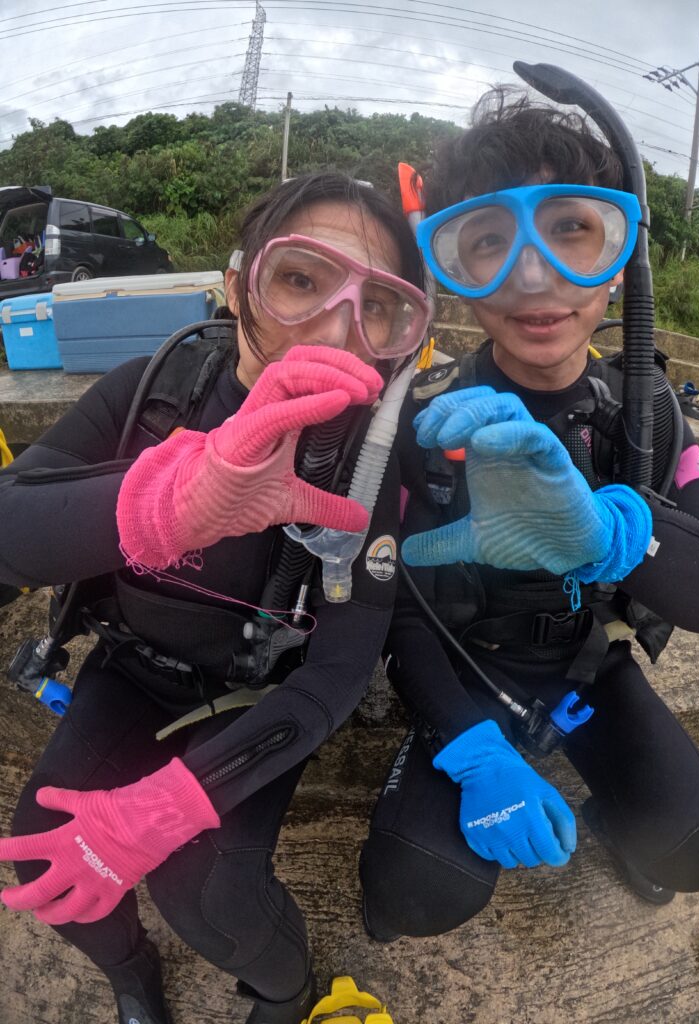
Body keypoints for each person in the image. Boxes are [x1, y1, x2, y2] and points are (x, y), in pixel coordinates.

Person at [0, 172, 429, 1024]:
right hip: (134, 666)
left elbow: (338, 672)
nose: (339, 328)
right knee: (39, 849)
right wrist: (166, 504)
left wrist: (177, 801)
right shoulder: (155, 393)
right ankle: (130, 971)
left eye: (377, 305)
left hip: (256, 695)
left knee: (208, 888)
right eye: (301, 279)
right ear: (236, 288)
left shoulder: (375, 468)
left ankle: (282, 988)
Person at [359, 88, 699, 941]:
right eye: (489, 244)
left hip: (585, 667)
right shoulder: (424, 419)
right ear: (453, 272)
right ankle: (473, 783)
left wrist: (615, 535)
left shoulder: (645, 410)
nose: (535, 276)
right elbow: (394, 612)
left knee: (698, 850)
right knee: (414, 893)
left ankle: (613, 799)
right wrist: (471, 749)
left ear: (619, 255)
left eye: (572, 229)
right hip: (464, 668)